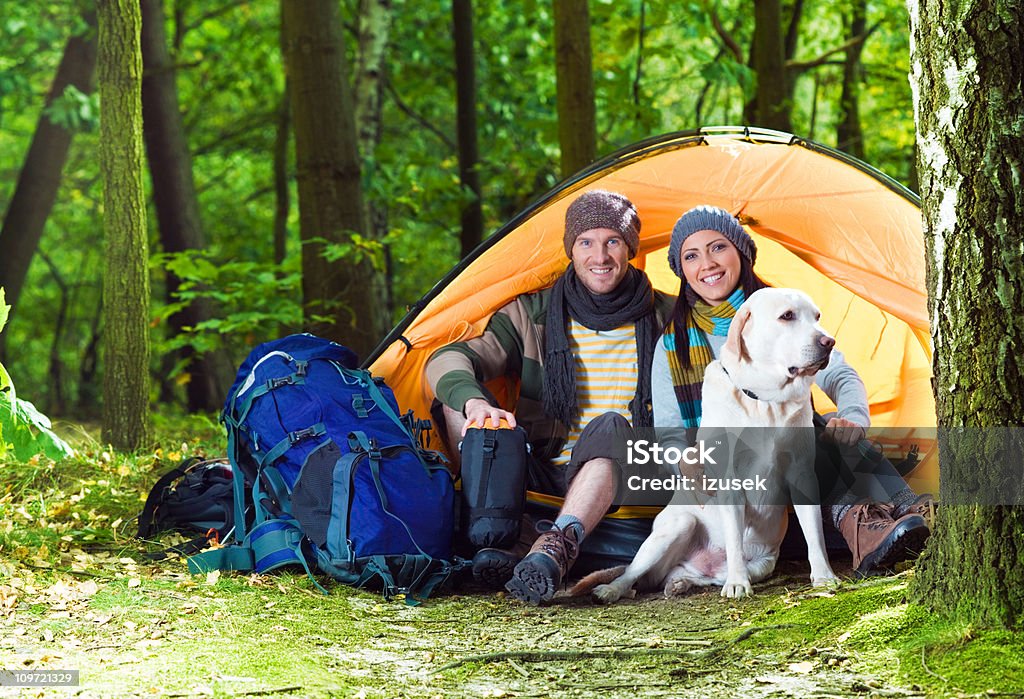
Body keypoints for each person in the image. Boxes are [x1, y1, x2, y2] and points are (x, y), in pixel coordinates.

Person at [653, 205, 932, 576]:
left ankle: (910, 517)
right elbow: (669, 431)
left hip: (791, 466)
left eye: (718, 247)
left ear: (741, 253)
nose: (707, 263)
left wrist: (853, 416)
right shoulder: (673, 344)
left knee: (828, 429)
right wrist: (683, 460)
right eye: (691, 255)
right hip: (735, 485)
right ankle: (865, 526)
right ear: (682, 270)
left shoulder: (786, 307)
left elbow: (840, 374)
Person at [425, 190, 674, 604]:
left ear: (630, 249)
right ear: (571, 250)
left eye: (612, 241)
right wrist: (475, 403)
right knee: (456, 397)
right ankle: (494, 537)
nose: (600, 256)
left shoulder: (666, 316)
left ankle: (558, 543)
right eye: (586, 242)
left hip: (626, 473)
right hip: (543, 466)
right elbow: (446, 358)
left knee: (612, 424)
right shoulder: (531, 315)